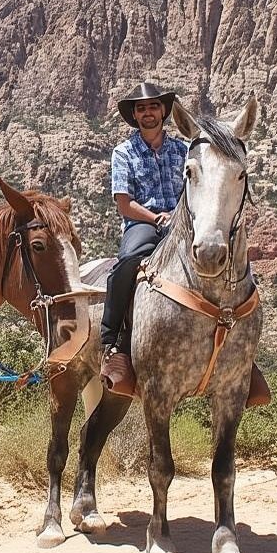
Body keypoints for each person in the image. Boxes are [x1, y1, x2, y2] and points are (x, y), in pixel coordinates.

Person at [99, 82, 188, 397]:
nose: (148, 112)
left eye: (153, 106)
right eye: (141, 108)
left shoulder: (184, 150)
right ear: (135, 116)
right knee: (128, 261)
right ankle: (111, 339)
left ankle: (240, 346)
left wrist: (178, 217)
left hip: (182, 223)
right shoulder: (123, 153)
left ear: (163, 111)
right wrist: (157, 218)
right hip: (143, 223)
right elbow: (124, 203)